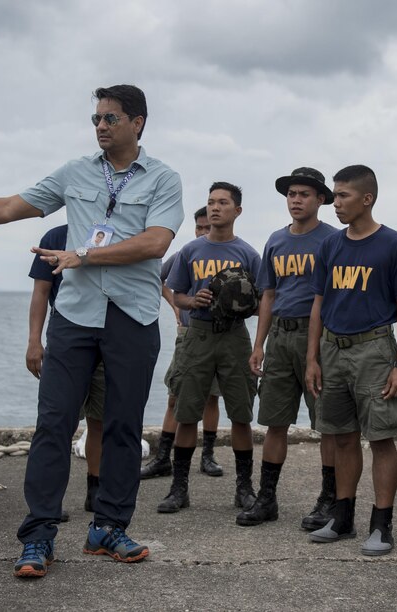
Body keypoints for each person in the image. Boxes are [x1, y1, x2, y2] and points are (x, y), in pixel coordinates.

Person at [0, 84, 184, 577]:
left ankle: (107, 528)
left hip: (133, 317)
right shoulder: (75, 172)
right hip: (75, 316)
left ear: (138, 122)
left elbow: (154, 243)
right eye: (96, 120)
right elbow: (6, 207)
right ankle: (39, 535)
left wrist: (82, 254)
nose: (100, 127)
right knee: (53, 426)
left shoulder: (164, 179)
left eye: (110, 118)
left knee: (125, 429)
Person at [304, 164, 397, 556]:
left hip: (374, 349)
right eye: (334, 196)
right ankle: (342, 518)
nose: (335, 203)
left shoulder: (394, 245)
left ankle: (382, 525)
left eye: (342, 196)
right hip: (332, 350)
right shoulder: (331, 246)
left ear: (367, 198)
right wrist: (312, 359)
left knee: (382, 438)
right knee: (340, 436)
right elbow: (319, 304)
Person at [238, 167, 338, 528]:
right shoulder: (276, 241)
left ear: (321, 200)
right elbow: (268, 294)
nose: (296, 200)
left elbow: (333, 297)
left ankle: (328, 500)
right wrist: (258, 344)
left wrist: (318, 353)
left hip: (320, 340)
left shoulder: (332, 240)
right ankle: (267, 500)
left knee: (327, 423)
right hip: (279, 336)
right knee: (274, 421)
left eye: (304, 194)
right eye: (292, 194)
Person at [160, 182, 261, 516]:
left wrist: (242, 302)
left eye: (223, 203)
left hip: (234, 337)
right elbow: (177, 295)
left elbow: (263, 303)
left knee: (242, 416)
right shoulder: (191, 250)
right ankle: (179, 490)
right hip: (198, 335)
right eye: (211, 202)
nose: (215, 208)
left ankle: (244, 490)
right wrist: (194, 299)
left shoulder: (248, 254)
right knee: (187, 413)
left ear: (237, 211)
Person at [142, 206, 223, 481]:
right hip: (188, 334)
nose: (203, 232)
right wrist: (175, 307)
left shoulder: (228, 255)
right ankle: (163, 457)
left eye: (207, 227)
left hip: (219, 335)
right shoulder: (185, 254)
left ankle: (208, 455)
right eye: (199, 227)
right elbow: (157, 277)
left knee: (212, 397)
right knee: (175, 396)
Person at [26, 224, 102, 515]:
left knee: (101, 420)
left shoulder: (117, 233)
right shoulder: (56, 236)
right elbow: (41, 291)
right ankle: (49, 502)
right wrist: (34, 341)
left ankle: (95, 489)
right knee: (57, 422)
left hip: (108, 337)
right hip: (66, 337)